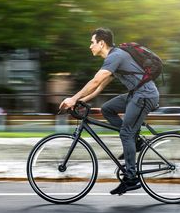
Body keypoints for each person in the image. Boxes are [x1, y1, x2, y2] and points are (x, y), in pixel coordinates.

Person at [59, 27, 159, 195]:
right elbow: (98, 87)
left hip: (144, 96)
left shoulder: (116, 56)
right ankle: (135, 142)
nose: (90, 46)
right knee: (107, 109)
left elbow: (95, 80)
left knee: (125, 134)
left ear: (101, 43)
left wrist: (73, 98)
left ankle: (131, 177)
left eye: (92, 43)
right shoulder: (114, 58)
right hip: (137, 94)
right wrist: (81, 101)